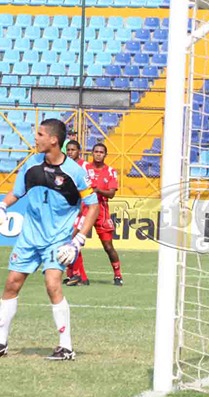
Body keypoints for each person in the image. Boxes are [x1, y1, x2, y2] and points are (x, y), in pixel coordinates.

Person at [0, 119, 99, 360]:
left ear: (53, 140)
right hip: (29, 237)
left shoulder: (74, 172)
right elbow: (17, 192)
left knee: (52, 285)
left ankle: (66, 347)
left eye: (40, 134)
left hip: (57, 240)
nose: (36, 137)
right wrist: (3, 205)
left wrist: (78, 241)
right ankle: (1, 343)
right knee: (12, 283)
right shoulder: (31, 164)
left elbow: (93, 205)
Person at [69, 143, 123, 287]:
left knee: (108, 246)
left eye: (101, 152)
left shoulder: (110, 171)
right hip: (85, 209)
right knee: (73, 239)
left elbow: (111, 194)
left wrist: (98, 190)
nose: (98, 154)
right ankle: (78, 276)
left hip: (101, 212)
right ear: (92, 153)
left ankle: (118, 275)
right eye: (96, 151)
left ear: (105, 155)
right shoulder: (84, 168)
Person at [64, 140, 90, 286]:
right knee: (69, 239)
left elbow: (89, 187)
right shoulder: (65, 165)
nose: (70, 152)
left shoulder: (85, 166)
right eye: (68, 149)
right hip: (70, 208)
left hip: (83, 208)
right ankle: (80, 276)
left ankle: (76, 275)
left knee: (72, 239)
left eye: (73, 150)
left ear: (79, 151)